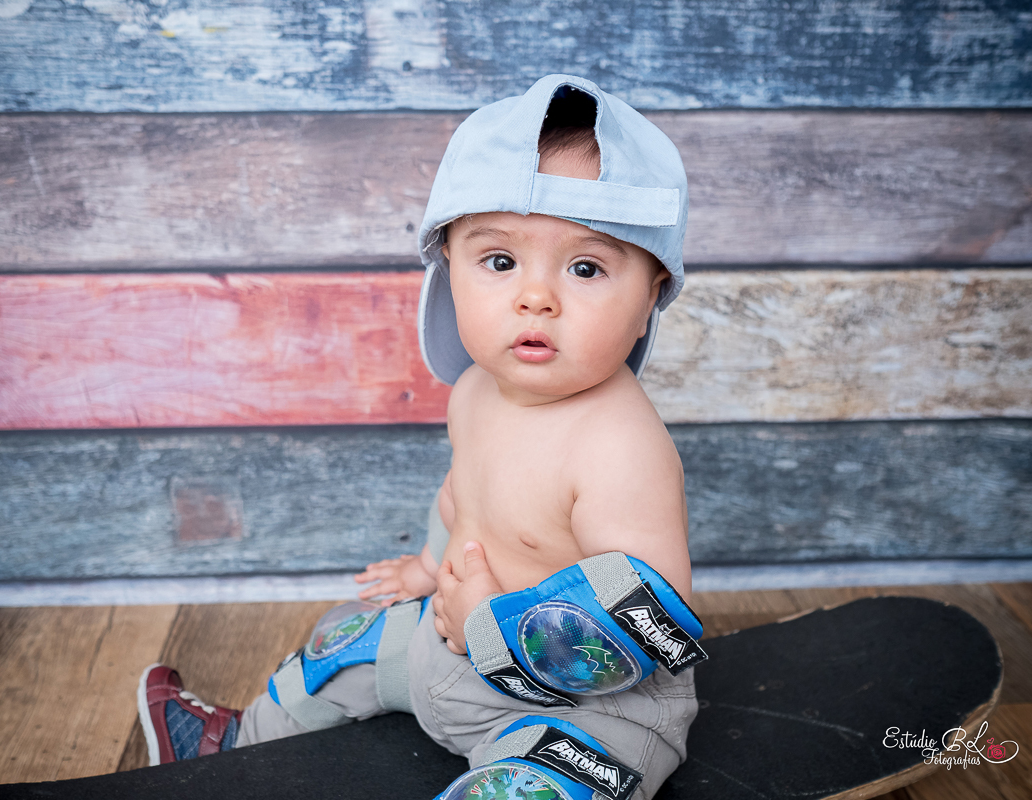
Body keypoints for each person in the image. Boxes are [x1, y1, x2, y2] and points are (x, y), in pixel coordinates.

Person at [138, 74, 701, 799]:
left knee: (539, 788)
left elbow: (648, 623)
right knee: (337, 648)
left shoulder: (619, 446)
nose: (536, 296)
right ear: (449, 269)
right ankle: (237, 746)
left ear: (651, 293)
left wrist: (489, 628)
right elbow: (463, 500)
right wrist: (430, 572)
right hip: (447, 647)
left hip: (587, 708)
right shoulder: (473, 391)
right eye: (500, 261)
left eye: (585, 267)